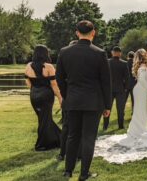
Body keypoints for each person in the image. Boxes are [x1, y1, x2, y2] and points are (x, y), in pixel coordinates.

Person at [56, 20, 111, 180]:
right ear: (93, 32)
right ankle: (84, 173)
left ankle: (68, 171)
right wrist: (107, 105)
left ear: (76, 33)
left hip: (72, 100)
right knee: (88, 138)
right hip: (93, 102)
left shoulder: (64, 52)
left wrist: (67, 95)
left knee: (73, 136)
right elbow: (106, 82)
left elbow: (59, 79)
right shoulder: (99, 53)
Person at [25, 45, 61, 151]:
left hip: (34, 95)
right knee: (45, 119)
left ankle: (57, 139)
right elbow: (54, 85)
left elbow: (28, 83)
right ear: (45, 54)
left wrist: (35, 90)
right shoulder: (49, 66)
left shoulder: (28, 66)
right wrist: (60, 98)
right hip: (46, 95)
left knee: (44, 119)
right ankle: (42, 145)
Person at [103, 46, 129, 130]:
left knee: (107, 108)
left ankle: (105, 126)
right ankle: (121, 125)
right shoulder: (124, 63)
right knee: (120, 108)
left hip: (109, 89)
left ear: (112, 52)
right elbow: (127, 78)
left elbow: (103, 77)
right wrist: (125, 88)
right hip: (120, 89)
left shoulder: (107, 62)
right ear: (120, 53)